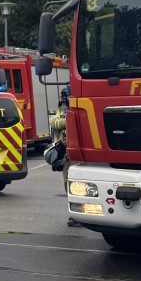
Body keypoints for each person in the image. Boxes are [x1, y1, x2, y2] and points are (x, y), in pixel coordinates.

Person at [50, 87, 80, 226]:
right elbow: (53, 122)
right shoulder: (63, 110)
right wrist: (64, 120)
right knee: (67, 182)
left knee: (77, 184)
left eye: (66, 97)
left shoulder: (78, 107)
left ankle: (78, 214)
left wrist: (65, 122)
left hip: (77, 153)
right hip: (66, 153)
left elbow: (74, 123)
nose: (64, 99)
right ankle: (74, 213)